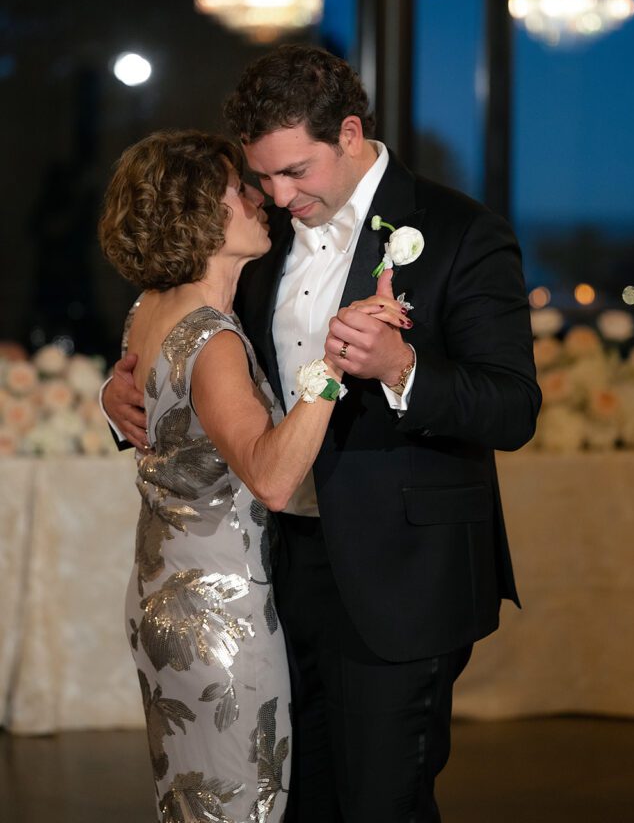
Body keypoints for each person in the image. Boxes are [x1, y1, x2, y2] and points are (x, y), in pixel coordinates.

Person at [104, 48, 541, 823]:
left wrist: (404, 366)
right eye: (262, 177)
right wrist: (123, 386)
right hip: (269, 575)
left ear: (348, 132)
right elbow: (193, 330)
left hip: (399, 575)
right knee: (290, 800)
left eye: (297, 172)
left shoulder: (459, 232)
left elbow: (511, 408)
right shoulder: (258, 243)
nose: (277, 196)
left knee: (380, 804)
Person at [98, 127, 406, 823]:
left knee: (193, 802)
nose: (259, 196)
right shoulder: (211, 339)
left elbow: (142, 399)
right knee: (242, 807)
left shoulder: (150, 308)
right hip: (220, 615)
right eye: (239, 188)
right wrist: (329, 371)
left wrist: (107, 400)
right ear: (200, 211)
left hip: (160, 591)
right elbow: (269, 478)